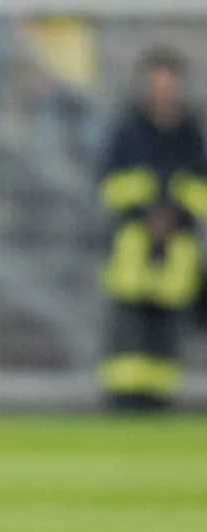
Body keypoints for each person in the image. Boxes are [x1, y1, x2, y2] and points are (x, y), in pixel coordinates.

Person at [97, 46, 207, 411]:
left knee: (165, 337)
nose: (163, 88)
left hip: (176, 251)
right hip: (132, 248)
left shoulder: (190, 134)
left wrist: (175, 212)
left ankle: (158, 402)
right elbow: (109, 184)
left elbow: (200, 187)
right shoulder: (128, 131)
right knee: (128, 334)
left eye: (169, 81)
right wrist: (146, 209)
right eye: (157, 80)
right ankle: (123, 403)